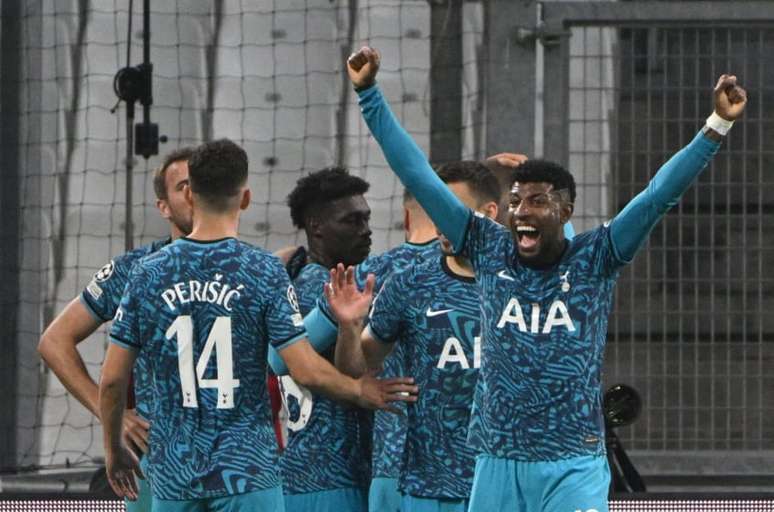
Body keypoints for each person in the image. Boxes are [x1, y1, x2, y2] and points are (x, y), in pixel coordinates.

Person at [347, 46, 747, 511]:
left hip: (573, 463)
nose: (521, 212)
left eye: (536, 201)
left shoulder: (595, 257)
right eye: (515, 201)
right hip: (497, 461)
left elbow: (658, 195)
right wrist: (368, 92)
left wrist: (717, 126)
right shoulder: (486, 245)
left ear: (566, 211)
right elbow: (417, 173)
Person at [99, 139, 417, 510]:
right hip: (247, 471)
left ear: (190, 193)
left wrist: (114, 448)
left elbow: (111, 380)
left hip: (175, 471)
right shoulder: (263, 270)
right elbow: (302, 368)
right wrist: (358, 390)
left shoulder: (146, 273)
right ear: (245, 198)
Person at [330, 161, 501, 512]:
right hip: (425, 486)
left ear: (490, 214)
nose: (441, 222)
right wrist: (349, 327)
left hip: (499, 481)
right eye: (435, 210)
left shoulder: (520, 282)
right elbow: (356, 366)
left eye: (452, 210)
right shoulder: (410, 284)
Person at [38, 147, 195, 512]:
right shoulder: (133, 269)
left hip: (228, 460)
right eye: (182, 186)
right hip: (155, 458)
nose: (192, 195)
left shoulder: (245, 266)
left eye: (199, 185)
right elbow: (53, 341)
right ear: (163, 207)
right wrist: (110, 414)